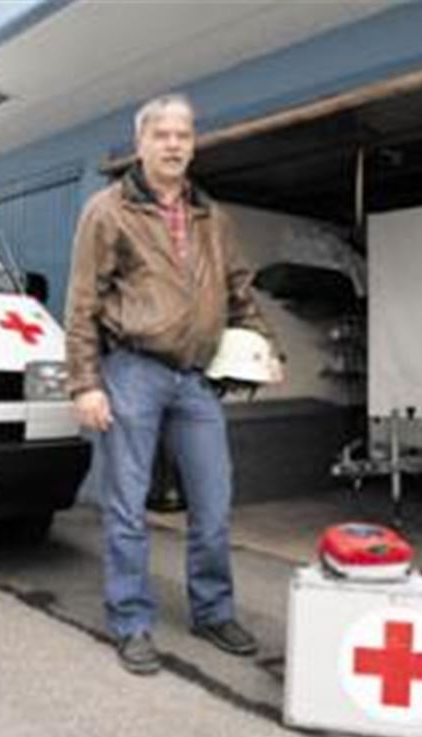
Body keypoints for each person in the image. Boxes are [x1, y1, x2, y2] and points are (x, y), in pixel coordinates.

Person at [65, 93, 282, 675]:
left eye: (183, 135)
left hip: (196, 380)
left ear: (193, 144)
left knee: (213, 503)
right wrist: (85, 383)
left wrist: (265, 347)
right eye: (161, 134)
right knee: (127, 505)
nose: (173, 144)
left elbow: (239, 292)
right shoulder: (107, 210)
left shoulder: (212, 216)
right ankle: (131, 621)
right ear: (140, 143)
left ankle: (213, 611)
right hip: (132, 369)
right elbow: (82, 303)